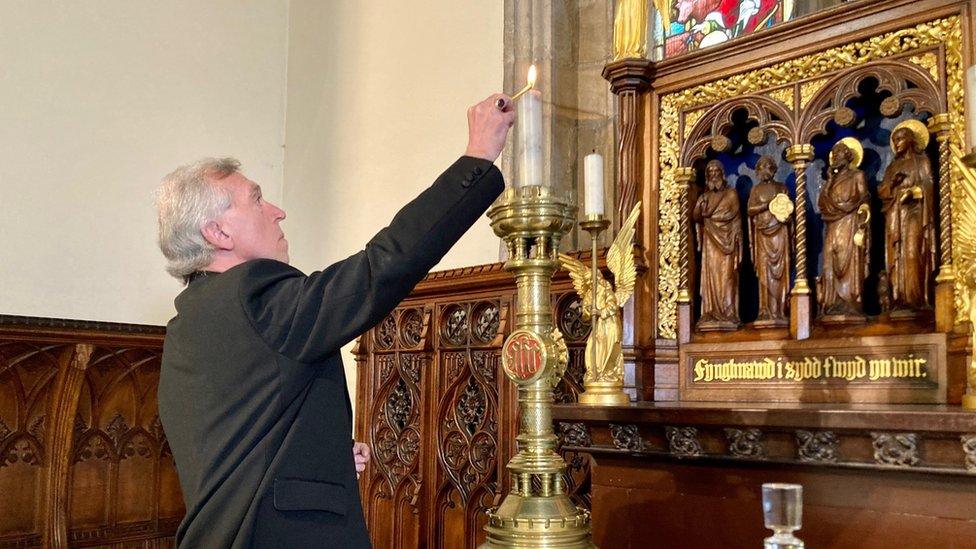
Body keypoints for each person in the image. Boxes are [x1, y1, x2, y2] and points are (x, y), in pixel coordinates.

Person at [155, 93, 515, 548]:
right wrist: (477, 158)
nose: (277, 211)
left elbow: (237, 442)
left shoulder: (190, 320)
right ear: (218, 232)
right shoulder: (254, 294)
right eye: (256, 200)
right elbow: (381, 267)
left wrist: (319, 455)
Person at [878, 123, 935, 315]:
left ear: (910, 140)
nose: (897, 143)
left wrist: (913, 192)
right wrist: (892, 184)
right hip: (895, 213)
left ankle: (914, 298)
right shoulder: (893, 166)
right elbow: (883, 192)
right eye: (894, 140)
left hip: (915, 211)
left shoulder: (922, 161)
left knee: (912, 253)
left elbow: (929, 187)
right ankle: (899, 298)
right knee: (897, 255)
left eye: (900, 138)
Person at [818, 139, 870, 321]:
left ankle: (850, 302)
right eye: (834, 154)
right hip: (833, 224)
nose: (835, 157)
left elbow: (864, 199)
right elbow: (822, 204)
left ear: (848, 156)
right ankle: (831, 302)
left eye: (839, 153)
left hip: (849, 222)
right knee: (829, 262)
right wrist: (830, 180)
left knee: (848, 261)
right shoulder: (831, 181)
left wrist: (862, 218)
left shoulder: (857, 176)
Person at [693, 159, 742, 330]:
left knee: (727, 276)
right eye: (710, 172)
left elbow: (735, 215)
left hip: (727, 241)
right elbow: (696, 217)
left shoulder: (731, 194)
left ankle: (729, 312)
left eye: (716, 171)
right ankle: (711, 310)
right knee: (711, 275)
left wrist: (712, 217)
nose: (714, 175)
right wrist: (699, 207)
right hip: (710, 243)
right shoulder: (704, 197)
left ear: (722, 174)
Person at [747, 155, 791, 327]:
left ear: (774, 169)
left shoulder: (782, 188)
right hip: (763, 234)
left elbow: (788, 210)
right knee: (765, 273)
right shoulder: (756, 190)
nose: (765, 170)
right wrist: (767, 206)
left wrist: (786, 217)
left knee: (780, 272)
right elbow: (751, 209)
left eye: (768, 166)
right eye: (761, 167)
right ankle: (765, 310)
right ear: (758, 171)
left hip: (779, 233)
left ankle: (780, 310)